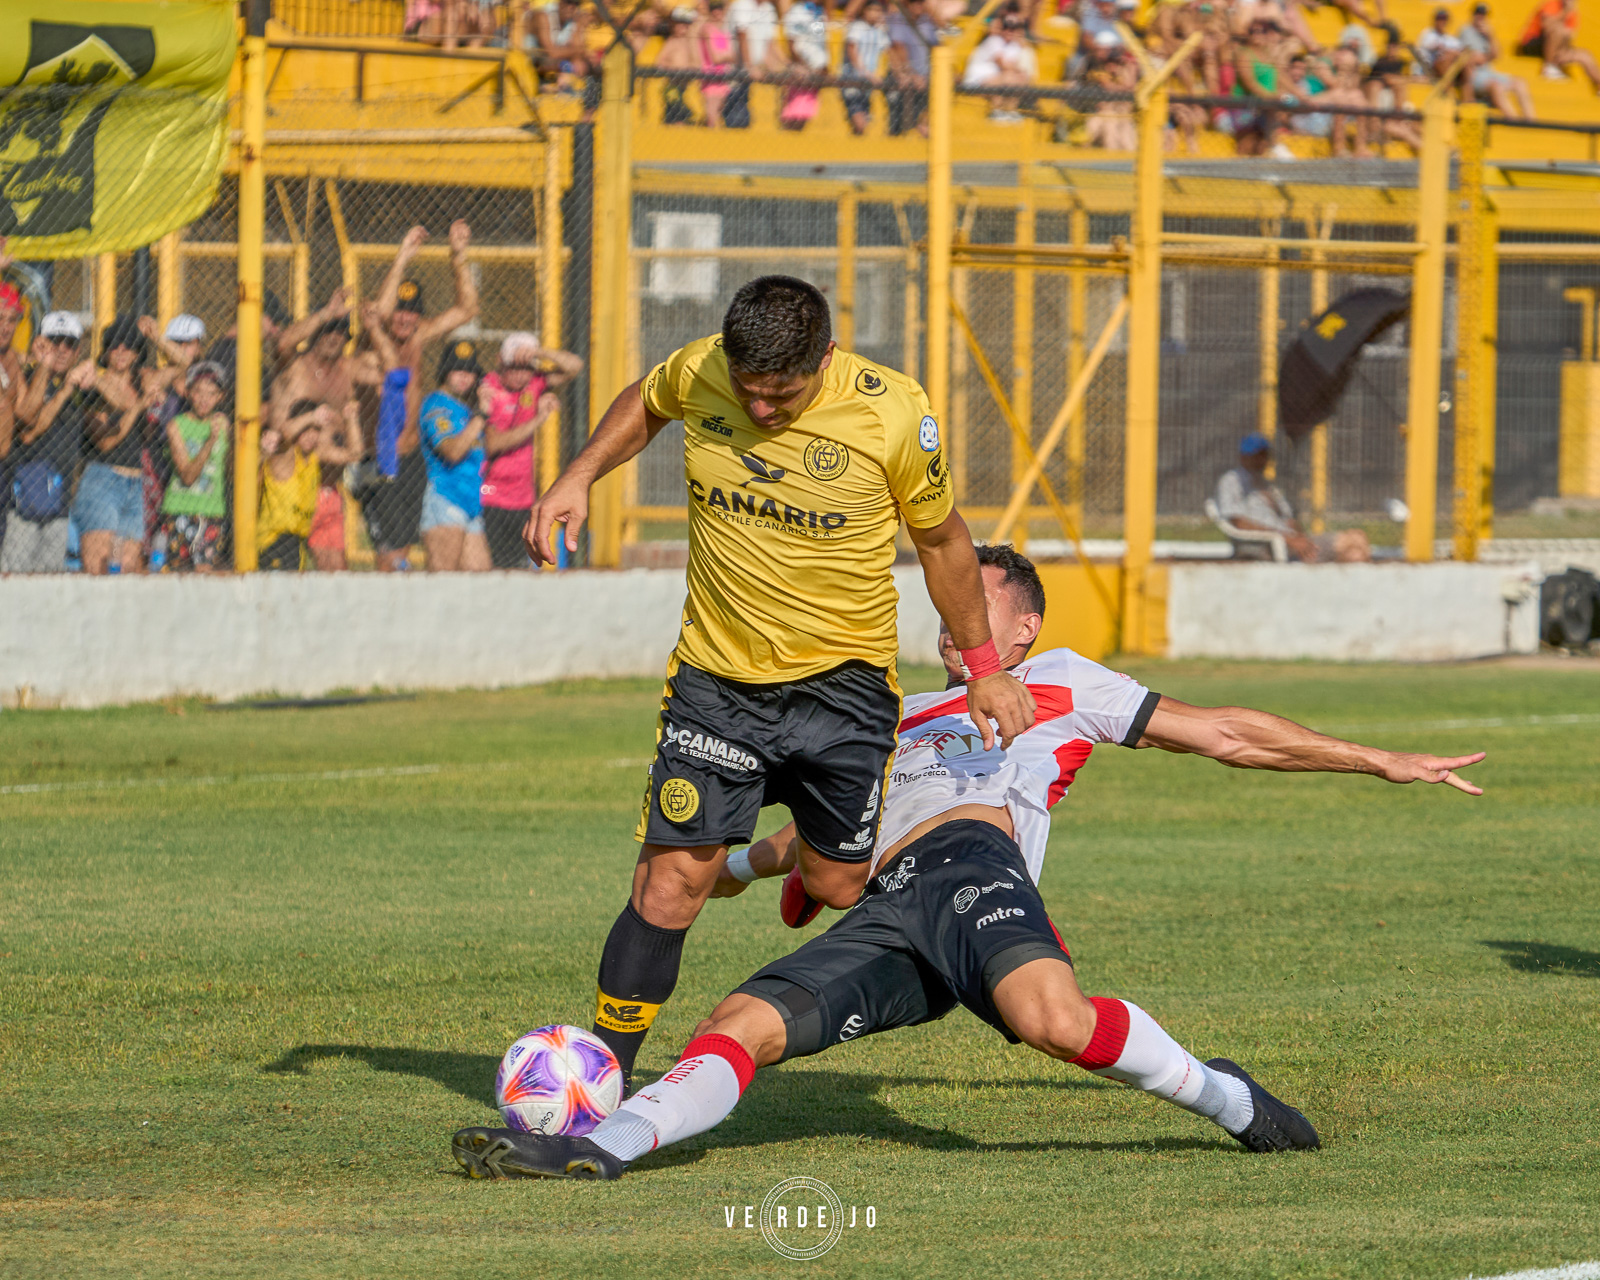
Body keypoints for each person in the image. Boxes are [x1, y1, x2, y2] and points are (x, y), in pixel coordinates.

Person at [450, 545, 1486, 1180]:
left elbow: (1226, 733)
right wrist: (741, 870)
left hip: (974, 867)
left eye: (973, 601)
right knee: (737, 1024)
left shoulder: (1059, 679)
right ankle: (597, 1142)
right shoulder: (895, 714)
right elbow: (834, 835)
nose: (953, 616)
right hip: (887, 905)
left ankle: (1228, 1098)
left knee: (1052, 1022)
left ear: (1022, 626)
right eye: (946, 601)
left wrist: (1376, 758)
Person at [522, 275, 1037, 1090]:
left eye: (781, 396)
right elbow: (648, 401)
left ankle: (790, 857)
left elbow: (942, 543)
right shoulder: (702, 371)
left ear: (824, 358)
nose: (760, 411)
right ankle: (600, 1079)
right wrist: (578, 474)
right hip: (717, 685)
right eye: (749, 394)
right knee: (671, 881)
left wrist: (982, 668)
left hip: (846, 694)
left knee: (836, 884)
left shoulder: (893, 412)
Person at [363, 221, 480, 572]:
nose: (404, 317)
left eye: (412, 311)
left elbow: (466, 309)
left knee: (411, 551)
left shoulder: (419, 336)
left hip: (413, 460)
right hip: (377, 461)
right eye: (400, 309)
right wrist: (403, 257)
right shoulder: (373, 340)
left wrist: (458, 257)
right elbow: (380, 314)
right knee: (388, 557)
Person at [480, 331, 581, 570]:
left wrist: (538, 352)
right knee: (489, 567)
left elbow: (575, 366)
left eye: (526, 367)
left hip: (523, 497)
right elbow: (494, 444)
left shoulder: (535, 383)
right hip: (489, 495)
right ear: (500, 363)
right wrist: (539, 419)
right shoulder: (488, 388)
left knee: (517, 566)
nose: (519, 374)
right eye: (513, 366)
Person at [270, 305, 358, 573]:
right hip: (289, 488)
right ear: (315, 333)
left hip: (327, 489)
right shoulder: (294, 366)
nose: (334, 338)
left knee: (336, 574)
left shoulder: (346, 373)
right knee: (285, 570)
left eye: (341, 333)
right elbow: (283, 342)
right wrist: (326, 313)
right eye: (328, 331)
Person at [3, 312, 89, 574]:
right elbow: (28, 430)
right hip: (23, 503)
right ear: (42, 342)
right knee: (14, 577)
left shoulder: (82, 386)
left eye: (69, 343)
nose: (62, 349)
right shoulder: (28, 375)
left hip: (59, 505)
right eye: (55, 341)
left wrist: (96, 373)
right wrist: (58, 384)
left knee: (50, 579)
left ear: (78, 350)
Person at [74, 317, 158, 575]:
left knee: (129, 569)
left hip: (136, 485)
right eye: (114, 345)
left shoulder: (141, 383)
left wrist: (155, 337)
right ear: (106, 351)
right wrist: (138, 407)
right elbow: (107, 441)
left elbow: (184, 365)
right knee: (99, 568)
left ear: (137, 353)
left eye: (130, 345)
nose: (121, 351)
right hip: (103, 480)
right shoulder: (93, 385)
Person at [1214, 432, 1370, 563]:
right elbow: (1238, 522)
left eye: (1262, 454)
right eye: (1253, 455)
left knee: (1358, 539)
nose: (1258, 459)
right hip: (1268, 545)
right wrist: (1287, 538)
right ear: (1242, 456)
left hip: (1291, 543)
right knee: (1352, 549)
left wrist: (1301, 538)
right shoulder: (1231, 481)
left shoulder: (1267, 485)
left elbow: (1289, 520)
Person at [257, 402, 363, 571]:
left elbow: (355, 454)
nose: (310, 436)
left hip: (296, 541)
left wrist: (351, 419)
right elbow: (283, 433)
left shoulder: (315, 455)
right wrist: (312, 416)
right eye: (305, 430)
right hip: (274, 540)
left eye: (315, 430)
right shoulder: (285, 456)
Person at [419, 340, 492, 572]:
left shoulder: (466, 409)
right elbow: (452, 452)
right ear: (445, 372)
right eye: (457, 369)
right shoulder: (436, 405)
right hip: (446, 500)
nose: (464, 376)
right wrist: (481, 416)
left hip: (472, 504)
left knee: (482, 585)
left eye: (470, 371)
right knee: (442, 586)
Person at [157, 362, 231, 573]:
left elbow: (229, 470)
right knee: (176, 576)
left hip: (211, 512)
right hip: (179, 510)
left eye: (212, 393)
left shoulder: (223, 424)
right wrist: (210, 441)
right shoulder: (176, 426)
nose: (204, 399)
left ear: (220, 397)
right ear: (189, 393)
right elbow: (188, 476)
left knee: (204, 577)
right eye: (198, 392)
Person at [1460, 4, 1535, 116]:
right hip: (1475, 75)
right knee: (1497, 86)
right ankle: (1513, 120)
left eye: (1483, 14)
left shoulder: (1487, 32)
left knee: (1520, 83)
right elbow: (1475, 58)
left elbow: (1497, 55)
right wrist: (1488, 56)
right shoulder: (1466, 31)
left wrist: (1491, 36)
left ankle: (1531, 121)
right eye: (1478, 13)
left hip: (1489, 73)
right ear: (1473, 14)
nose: (1481, 17)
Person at [963, 13, 1038, 122]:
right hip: (975, 82)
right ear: (1002, 29)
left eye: (1013, 28)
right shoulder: (993, 40)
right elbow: (1003, 64)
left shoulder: (1014, 46)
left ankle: (1010, 111)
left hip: (993, 80)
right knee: (1009, 76)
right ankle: (996, 111)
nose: (1009, 31)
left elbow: (1012, 66)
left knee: (1019, 77)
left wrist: (1020, 73)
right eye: (1006, 28)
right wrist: (1019, 71)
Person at [1517, 0, 1600, 91]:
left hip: (1554, 47)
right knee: (1558, 29)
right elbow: (1548, 26)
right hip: (1533, 43)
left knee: (1585, 55)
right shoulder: (1553, 4)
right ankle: (1549, 66)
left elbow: (1569, 36)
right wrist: (1566, 12)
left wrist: (1562, 52)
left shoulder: (1572, 13)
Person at [886, 0, 940, 136]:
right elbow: (898, 49)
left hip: (925, 76)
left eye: (921, 3)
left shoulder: (927, 23)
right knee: (901, 101)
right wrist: (912, 74)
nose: (919, 6)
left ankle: (920, 127)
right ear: (907, 5)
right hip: (905, 74)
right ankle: (900, 131)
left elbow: (937, 48)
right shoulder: (898, 20)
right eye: (915, 3)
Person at [842, 0, 891, 134]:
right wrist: (865, 73)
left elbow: (888, 50)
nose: (875, 14)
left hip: (868, 82)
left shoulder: (879, 30)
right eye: (872, 10)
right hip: (853, 79)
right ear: (864, 11)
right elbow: (851, 49)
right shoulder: (857, 27)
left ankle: (855, 149)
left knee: (864, 119)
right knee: (858, 119)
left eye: (878, 11)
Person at [698, 0, 737, 127]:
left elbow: (729, 55)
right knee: (712, 115)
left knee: (717, 113)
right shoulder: (707, 28)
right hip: (711, 77)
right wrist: (730, 56)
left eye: (719, 7)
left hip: (723, 76)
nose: (717, 11)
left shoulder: (725, 30)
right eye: (713, 8)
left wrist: (727, 56)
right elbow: (716, 57)